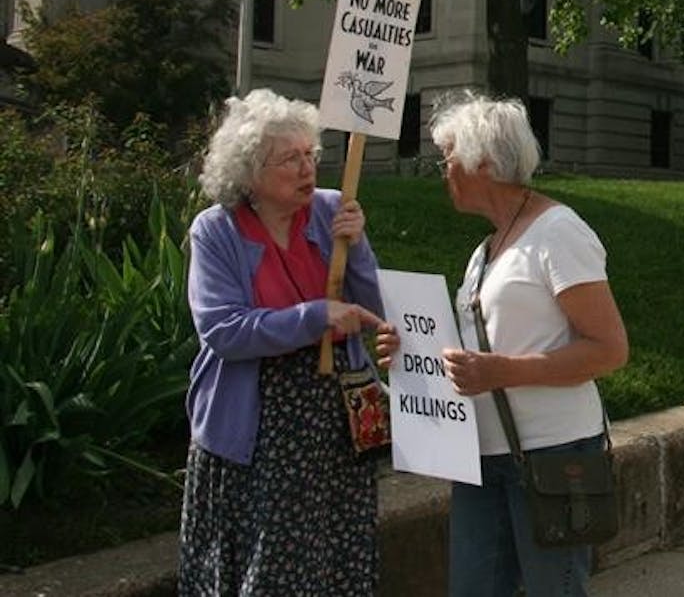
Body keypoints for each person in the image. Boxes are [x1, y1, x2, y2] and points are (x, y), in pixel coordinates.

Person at [376, 93, 628, 597]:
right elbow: (472, 348)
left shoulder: (558, 233)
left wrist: (502, 371)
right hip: (479, 456)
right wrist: (409, 353)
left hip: (553, 454)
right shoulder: (486, 250)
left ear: (484, 162)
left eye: (448, 158)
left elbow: (609, 349)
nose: (442, 171)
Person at [180, 88, 387, 596]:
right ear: (250, 172)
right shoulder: (217, 230)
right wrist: (315, 317)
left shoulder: (333, 210)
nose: (306, 167)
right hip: (257, 432)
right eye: (289, 159)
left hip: (334, 425)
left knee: (337, 561)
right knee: (269, 567)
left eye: (309, 154)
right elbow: (223, 331)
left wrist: (357, 246)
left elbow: (375, 309)